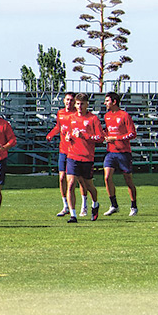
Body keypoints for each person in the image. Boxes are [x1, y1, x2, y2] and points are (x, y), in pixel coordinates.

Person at [46, 92, 87, 217]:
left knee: (79, 180)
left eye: (71, 100)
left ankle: (84, 205)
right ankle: (65, 205)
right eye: (67, 100)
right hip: (63, 150)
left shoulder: (77, 115)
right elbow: (59, 127)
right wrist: (51, 134)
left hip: (75, 151)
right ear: (64, 100)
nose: (69, 102)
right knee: (62, 178)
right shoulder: (61, 113)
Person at [64, 93, 104, 223]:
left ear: (87, 104)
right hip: (72, 155)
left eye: (82, 104)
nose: (79, 106)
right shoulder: (71, 118)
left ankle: (95, 204)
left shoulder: (93, 119)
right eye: (77, 104)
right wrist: (68, 137)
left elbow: (100, 138)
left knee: (88, 185)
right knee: (70, 184)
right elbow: (67, 133)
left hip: (87, 157)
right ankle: (73, 215)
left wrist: (85, 136)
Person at [101, 92, 138, 217]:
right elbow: (107, 131)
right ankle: (114, 205)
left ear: (114, 102)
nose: (105, 103)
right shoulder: (106, 116)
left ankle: (133, 205)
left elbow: (132, 133)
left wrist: (115, 138)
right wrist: (104, 134)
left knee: (128, 180)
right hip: (111, 152)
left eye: (107, 101)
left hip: (124, 153)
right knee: (107, 177)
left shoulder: (124, 115)